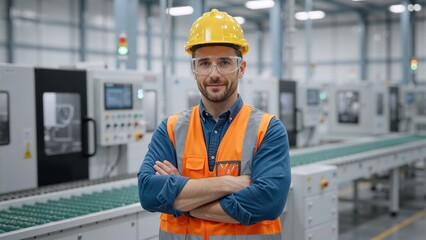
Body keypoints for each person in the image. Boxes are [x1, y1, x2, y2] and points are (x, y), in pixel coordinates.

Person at [138, 9, 291, 240]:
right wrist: (229, 183)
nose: (214, 73)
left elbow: (268, 202)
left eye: (224, 62)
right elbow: (149, 194)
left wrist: (183, 201)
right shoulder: (170, 129)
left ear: (241, 68)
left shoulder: (268, 129)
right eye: (204, 63)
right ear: (194, 69)